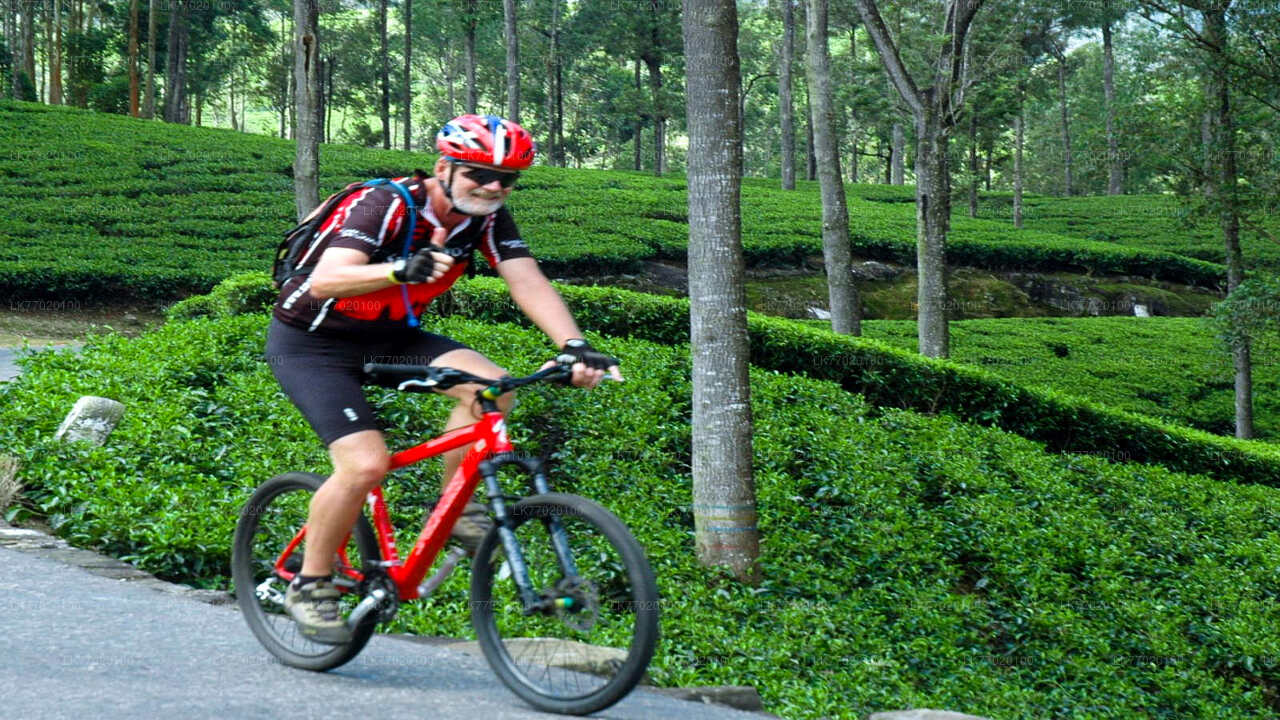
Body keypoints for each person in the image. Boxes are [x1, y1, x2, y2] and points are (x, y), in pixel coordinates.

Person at [264, 114, 622, 645]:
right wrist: (397, 270)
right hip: (313, 344)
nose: (495, 186)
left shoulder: (486, 218)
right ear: (444, 167)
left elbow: (526, 280)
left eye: (508, 178)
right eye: (481, 172)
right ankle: (311, 584)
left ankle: (455, 508)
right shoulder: (384, 205)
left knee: (494, 386)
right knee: (365, 464)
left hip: (390, 336)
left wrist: (572, 346)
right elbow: (326, 279)